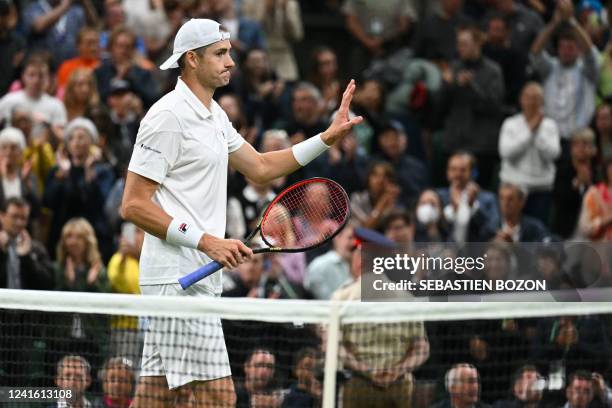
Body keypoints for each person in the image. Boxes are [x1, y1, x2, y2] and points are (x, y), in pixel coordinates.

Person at [120, 18, 361, 408]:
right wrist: (207, 241)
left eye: (229, 52)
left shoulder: (214, 115)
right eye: (220, 54)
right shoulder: (167, 116)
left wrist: (325, 139)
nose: (231, 61)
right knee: (219, 397)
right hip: (177, 279)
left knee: (156, 395)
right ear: (192, 60)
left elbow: (262, 166)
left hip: (195, 276)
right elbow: (133, 204)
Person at [498, 82, 561, 225]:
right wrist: (530, 131)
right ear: (521, 99)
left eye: (536, 98)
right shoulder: (510, 124)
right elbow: (506, 153)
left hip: (541, 189)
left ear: (542, 101)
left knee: (537, 235)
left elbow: (553, 155)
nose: (531, 102)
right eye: (528, 97)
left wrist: (537, 133)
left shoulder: (550, 125)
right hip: (513, 189)